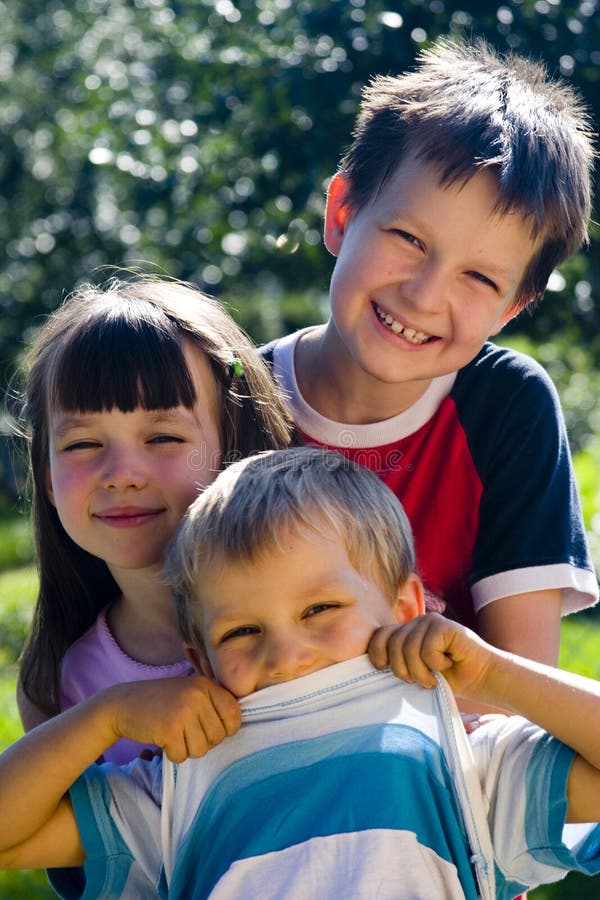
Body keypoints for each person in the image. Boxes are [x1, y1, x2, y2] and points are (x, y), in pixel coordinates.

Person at [1, 446, 600, 899]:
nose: (286, 657)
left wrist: (496, 677)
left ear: (405, 610)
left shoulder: (462, 754)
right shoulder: (180, 781)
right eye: (241, 631)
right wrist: (106, 717)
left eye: (320, 610)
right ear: (201, 661)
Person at [260, 37, 599, 665]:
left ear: (511, 309)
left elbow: (519, 692)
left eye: (479, 278)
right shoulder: (230, 393)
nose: (423, 295)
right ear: (342, 212)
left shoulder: (506, 406)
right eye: (409, 238)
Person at [13, 274, 294, 763]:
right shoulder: (59, 685)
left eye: (163, 438)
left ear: (234, 446)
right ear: (49, 480)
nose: (121, 475)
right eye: (82, 444)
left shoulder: (320, 622)